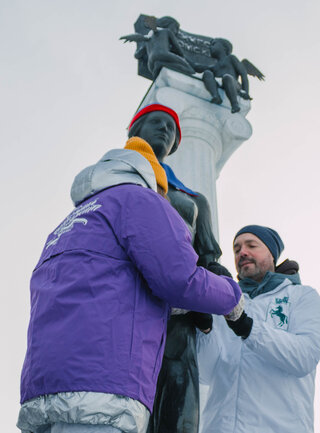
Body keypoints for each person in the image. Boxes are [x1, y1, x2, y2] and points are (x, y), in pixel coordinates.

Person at [16, 135, 242, 433]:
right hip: (102, 386)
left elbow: (107, 286)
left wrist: (171, 309)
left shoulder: (70, 223)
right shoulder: (140, 200)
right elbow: (179, 279)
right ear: (154, 182)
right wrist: (232, 297)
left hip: (45, 389)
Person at [125, 104, 223, 433]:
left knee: (179, 415)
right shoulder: (119, 179)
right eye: (156, 122)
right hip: (129, 311)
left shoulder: (194, 200)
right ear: (135, 130)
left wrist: (216, 296)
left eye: (171, 128)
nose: (164, 130)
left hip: (180, 325)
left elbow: (208, 256)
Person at [196, 225, 320, 433]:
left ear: (272, 254)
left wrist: (246, 326)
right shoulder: (226, 303)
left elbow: (304, 357)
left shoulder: (301, 296)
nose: (242, 252)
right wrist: (204, 328)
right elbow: (206, 373)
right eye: (237, 249)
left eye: (251, 245)